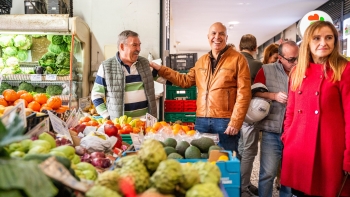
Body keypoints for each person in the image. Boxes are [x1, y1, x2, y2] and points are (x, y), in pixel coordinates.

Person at [150, 22, 251, 154]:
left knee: (225, 158)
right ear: (208, 37)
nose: (217, 37)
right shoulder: (201, 61)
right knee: (202, 158)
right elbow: (185, 80)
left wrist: (236, 121)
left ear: (226, 37)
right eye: (213, 33)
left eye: (221, 34)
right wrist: (161, 69)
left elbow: (244, 93)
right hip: (201, 120)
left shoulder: (238, 59)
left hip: (225, 120)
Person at [281, 21, 350, 196]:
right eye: (317, 38)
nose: (323, 43)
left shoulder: (344, 69)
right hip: (299, 147)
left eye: (329, 38)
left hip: (330, 151)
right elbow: (290, 110)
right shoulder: (297, 71)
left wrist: (349, 156)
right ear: (307, 43)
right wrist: (287, 136)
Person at [254, 41, 298, 197]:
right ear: (280, 57)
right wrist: (273, 96)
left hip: (294, 132)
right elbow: (254, 93)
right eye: (291, 59)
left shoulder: (301, 70)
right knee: (267, 173)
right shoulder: (266, 70)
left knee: (288, 177)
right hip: (271, 130)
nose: (295, 62)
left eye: (298, 58)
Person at [91, 30, 162, 120]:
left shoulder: (144, 64)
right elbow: (96, 95)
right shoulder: (106, 67)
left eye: (139, 45)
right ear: (122, 46)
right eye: (134, 45)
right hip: (121, 127)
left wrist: (181, 79)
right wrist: (107, 117)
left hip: (145, 124)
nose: (139, 49)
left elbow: (163, 79)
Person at [237, 34, 262, 197]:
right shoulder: (258, 64)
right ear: (255, 48)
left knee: (240, 149)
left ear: (240, 47)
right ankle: (243, 188)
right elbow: (261, 89)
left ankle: (241, 183)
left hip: (234, 113)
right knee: (250, 150)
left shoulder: (234, 61)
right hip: (249, 113)